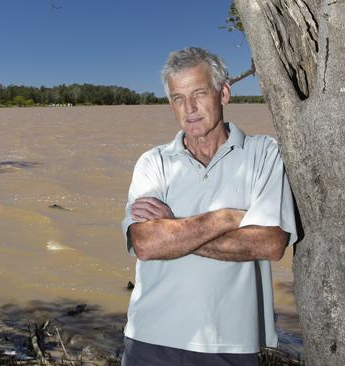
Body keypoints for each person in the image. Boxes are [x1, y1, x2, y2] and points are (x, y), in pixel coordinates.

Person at [120, 47, 298, 365]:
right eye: (178, 98)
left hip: (232, 343)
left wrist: (174, 228)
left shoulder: (264, 154)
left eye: (199, 93)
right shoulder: (153, 162)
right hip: (149, 338)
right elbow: (146, 244)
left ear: (224, 93)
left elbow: (270, 243)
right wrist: (228, 217)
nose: (189, 108)